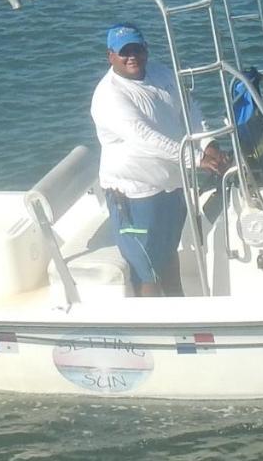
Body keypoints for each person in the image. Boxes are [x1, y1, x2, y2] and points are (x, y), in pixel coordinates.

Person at [90, 23, 230, 297]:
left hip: (170, 187)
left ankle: (180, 311)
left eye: (137, 49)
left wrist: (209, 143)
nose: (132, 57)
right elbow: (144, 137)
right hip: (134, 195)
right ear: (110, 56)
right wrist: (196, 159)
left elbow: (189, 110)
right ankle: (159, 330)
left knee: (168, 254)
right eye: (124, 52)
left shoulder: (161, 73)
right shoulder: (109, 96)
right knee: (146, 270)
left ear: (145, 50)